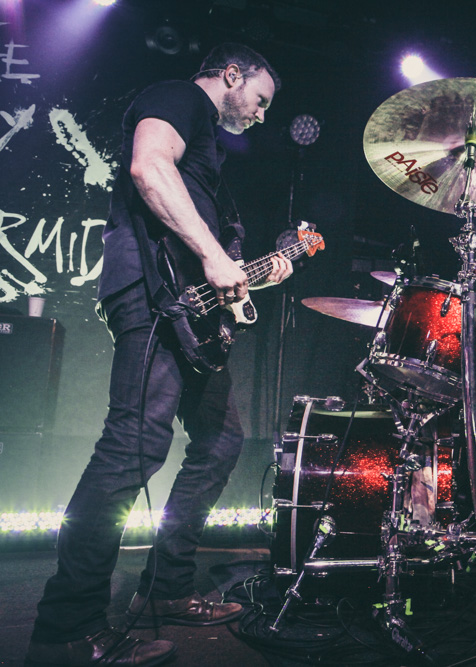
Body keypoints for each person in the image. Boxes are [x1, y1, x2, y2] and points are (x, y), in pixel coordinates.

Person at [28, 44, 292, 667]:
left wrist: (247, 270)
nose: (261, 115)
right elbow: (149, 168)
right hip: (153, 296)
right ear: (232, 75)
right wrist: (213, 256)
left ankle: (167, 587)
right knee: (133, 447)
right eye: (260, 100)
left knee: (221, 441)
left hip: (187, 308)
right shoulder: (179, 97)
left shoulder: (209, 152)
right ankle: (66, 627)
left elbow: (204, 245)